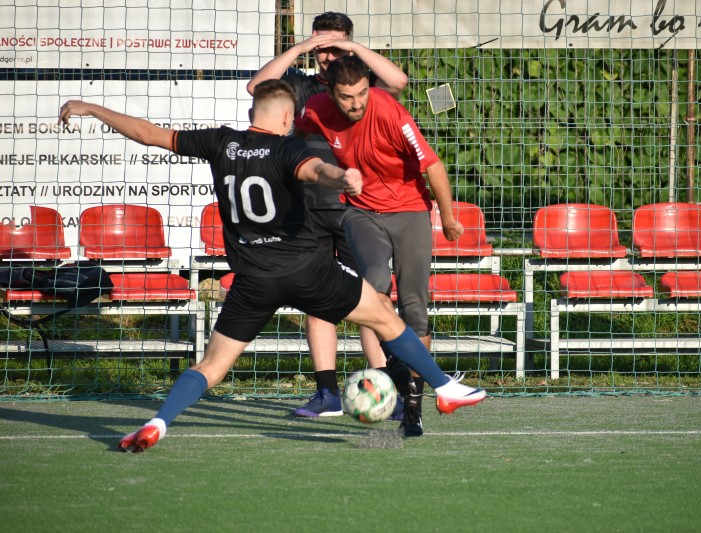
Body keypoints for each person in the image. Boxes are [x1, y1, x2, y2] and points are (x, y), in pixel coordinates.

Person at [58, 80, 486, 453]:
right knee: (385, 316)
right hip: (307, 271)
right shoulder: (288, 146)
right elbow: (315, 170)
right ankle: (445, 388)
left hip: (252, 280)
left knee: (210, 367)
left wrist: (92, 108)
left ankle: (159, 421)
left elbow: (150, 134)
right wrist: (341, 178)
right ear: (287, 117)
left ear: (252, 114)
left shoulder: (220, 142)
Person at [247, 11, 412, 420]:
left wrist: (352, 49)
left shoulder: (362, 87)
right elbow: (255, 87)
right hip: (305, 211)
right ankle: (326, 394)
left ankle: (385, 388)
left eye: (335, 47)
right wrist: (303, 48)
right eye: (321, 48)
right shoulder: (300, 85)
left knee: (373, 301)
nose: (327, 55)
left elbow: (398, 81)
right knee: (317, 301)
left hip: (359, 210)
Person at [294, 55, 465, 438]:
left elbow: (432, 165)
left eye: (361, 94)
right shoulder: (316, 108)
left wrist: (448, 217)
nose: (356, 103)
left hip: (410, 210)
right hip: (361, 212)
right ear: (330, 93)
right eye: (347, 97)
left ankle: (414, 409)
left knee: (415, 308)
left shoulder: (389, 111)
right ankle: (395, 369)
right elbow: (294, 138)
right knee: (372, 284)